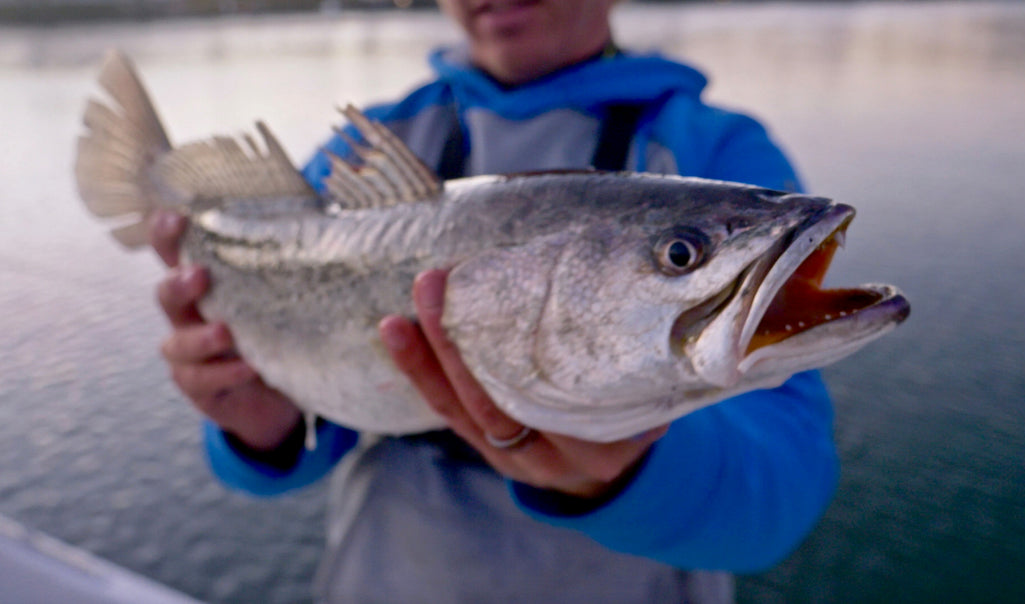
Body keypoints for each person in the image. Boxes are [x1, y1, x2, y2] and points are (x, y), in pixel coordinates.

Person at [151, 1, 839, 601]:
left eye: (678, 254)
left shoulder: (714, 151)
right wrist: (257, 425)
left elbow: (782, 498)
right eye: (681, 253)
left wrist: (626, 471)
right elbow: (304, 447)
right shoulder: (362, 152)